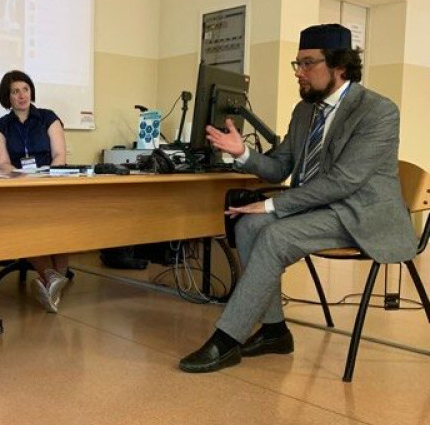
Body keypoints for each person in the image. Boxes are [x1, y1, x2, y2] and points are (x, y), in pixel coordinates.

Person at [178, 24, 417, 373]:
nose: (298, 73)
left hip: (361, 214)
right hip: (318, 208)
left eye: (308, 64)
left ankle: (227, 339)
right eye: (297, 64)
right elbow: (279, 167)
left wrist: (272, 204)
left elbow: (344, 181)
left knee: (275, 235)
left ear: (339, 66)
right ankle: (275, 331)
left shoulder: (377, 111)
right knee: (248, 226)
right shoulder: (305, 111)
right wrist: (242, 153)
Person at [0, 70, 69, 312]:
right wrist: (22, 177)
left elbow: (59, 154)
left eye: (25, 89)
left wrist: (48, 178)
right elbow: (2, 163)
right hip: (20, 187)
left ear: (31, 91)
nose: (22, 95)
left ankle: (52, 284)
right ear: (8, 97)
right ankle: (52, 278)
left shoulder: (49, 118)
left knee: (64, 220)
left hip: (50, 182)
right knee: (28, 222)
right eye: (15, 91)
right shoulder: (0, 127)